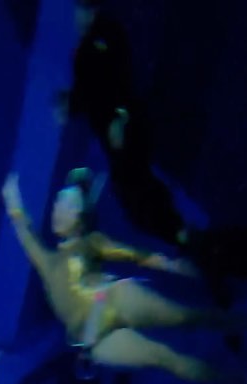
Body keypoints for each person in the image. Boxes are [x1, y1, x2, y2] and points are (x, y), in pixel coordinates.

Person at [1, 169, 247, 384]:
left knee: (187, 317)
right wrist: (12, 201)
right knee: (164, 357)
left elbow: (135, 255)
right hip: (92, 340)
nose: (59, 210)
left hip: (113, 299)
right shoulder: (47, 261)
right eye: (58, 202)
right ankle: (246, 381)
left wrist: (172, 265)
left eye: (69, 204)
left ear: (81, 215)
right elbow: (24, 230)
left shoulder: (91, 241)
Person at [56, 1, 187, 246]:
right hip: (111, 138)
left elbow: (122, 78)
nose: (79, 17)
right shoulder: (82, 53)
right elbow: (86, 95)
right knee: (130, 191)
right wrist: (67, 105)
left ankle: (178, 231)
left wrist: (121, 115)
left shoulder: (109, 34)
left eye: (85, 10)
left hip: (126, 128)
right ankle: (176, 233)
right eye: (78, 11)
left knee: (137, 183)